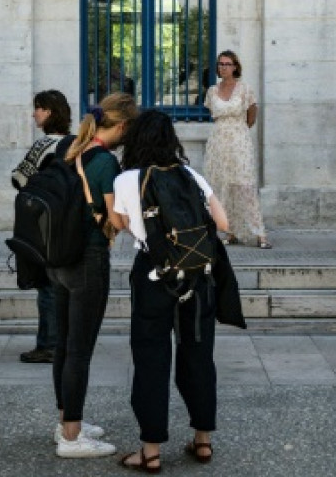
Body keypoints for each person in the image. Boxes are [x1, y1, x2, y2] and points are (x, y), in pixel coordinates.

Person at [110, 110, 234, 472]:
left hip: (152, 275)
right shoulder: (191, 175)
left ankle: (149, 452)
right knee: (198, 353)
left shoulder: (128, 179)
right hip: (197, 276)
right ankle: (203, 441)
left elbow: (120, 224)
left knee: (151, 358)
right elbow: (224, 223)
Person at [50, 93, 138, 458]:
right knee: (79, 352)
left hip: (57, 259)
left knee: (63, 344)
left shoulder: (69, 151)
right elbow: (116, 219)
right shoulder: (104, 162)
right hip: (87, 259)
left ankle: (66, 421)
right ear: (120, 126)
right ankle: (72, 438)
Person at [11, 89, 73, 364]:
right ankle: (65, 341)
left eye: (38, 108)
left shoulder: (42, 145)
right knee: (64, 284)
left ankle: (48, 344)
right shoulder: (75, 143)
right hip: (71, 223)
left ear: (48, 112)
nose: (34, 113)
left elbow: (19, 179)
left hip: (44, 225)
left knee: (46, 285)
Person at [203, 50, 269, 248]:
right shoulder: (212, 91)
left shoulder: (245, 89)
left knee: (244, 185)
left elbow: (251, 116)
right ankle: (229, 231)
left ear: (235, 67)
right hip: (218, 141)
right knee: (220, 184)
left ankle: (259, 233)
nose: (223, 67)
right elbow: (214, 115)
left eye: (227, 64)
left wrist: (237, 130)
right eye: (221, 64)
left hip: (239, 140)